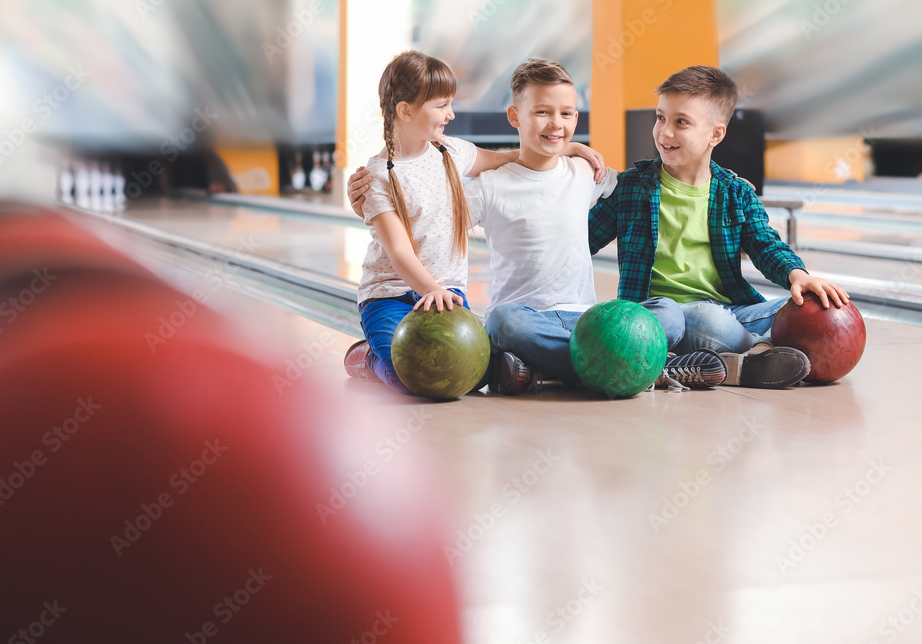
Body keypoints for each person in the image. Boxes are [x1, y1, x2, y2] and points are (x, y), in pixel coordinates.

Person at [349, 58, 725, 395]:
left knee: (669, 313)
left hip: (584, 318)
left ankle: (555, 371)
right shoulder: (482, 187)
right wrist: (364, 204)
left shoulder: (579, 173)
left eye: (566, 114)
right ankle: (636, 368)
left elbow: (643, 182)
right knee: (499, 325)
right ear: (515, 116)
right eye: (543, 112)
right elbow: (421, 222)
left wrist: (718, 177)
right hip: (520, 318)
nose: (556, 123)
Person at [343, 50, 606, 394]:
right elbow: (399, 253)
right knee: (410, 375)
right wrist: (431, 290)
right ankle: (368, 359)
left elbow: (505, 157)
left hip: (446, 291)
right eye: (441, 105)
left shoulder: (449, 151)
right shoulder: (377, 178)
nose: (451, 114)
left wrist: (564, 149)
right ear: (405, 110)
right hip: (391, 295)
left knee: (471, 374)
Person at [589, 65, 850, 389]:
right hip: (659, 315)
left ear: (715, 134)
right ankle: (755, 353)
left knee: (804, 309)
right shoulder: (632, 187)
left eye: (680, 122)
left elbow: (764, 244)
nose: (664, 132)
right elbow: (581, 239)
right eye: (660, 118)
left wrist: (798, 275)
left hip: (731, 313)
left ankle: (689, 361)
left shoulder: (736, 192)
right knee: (693, 317)